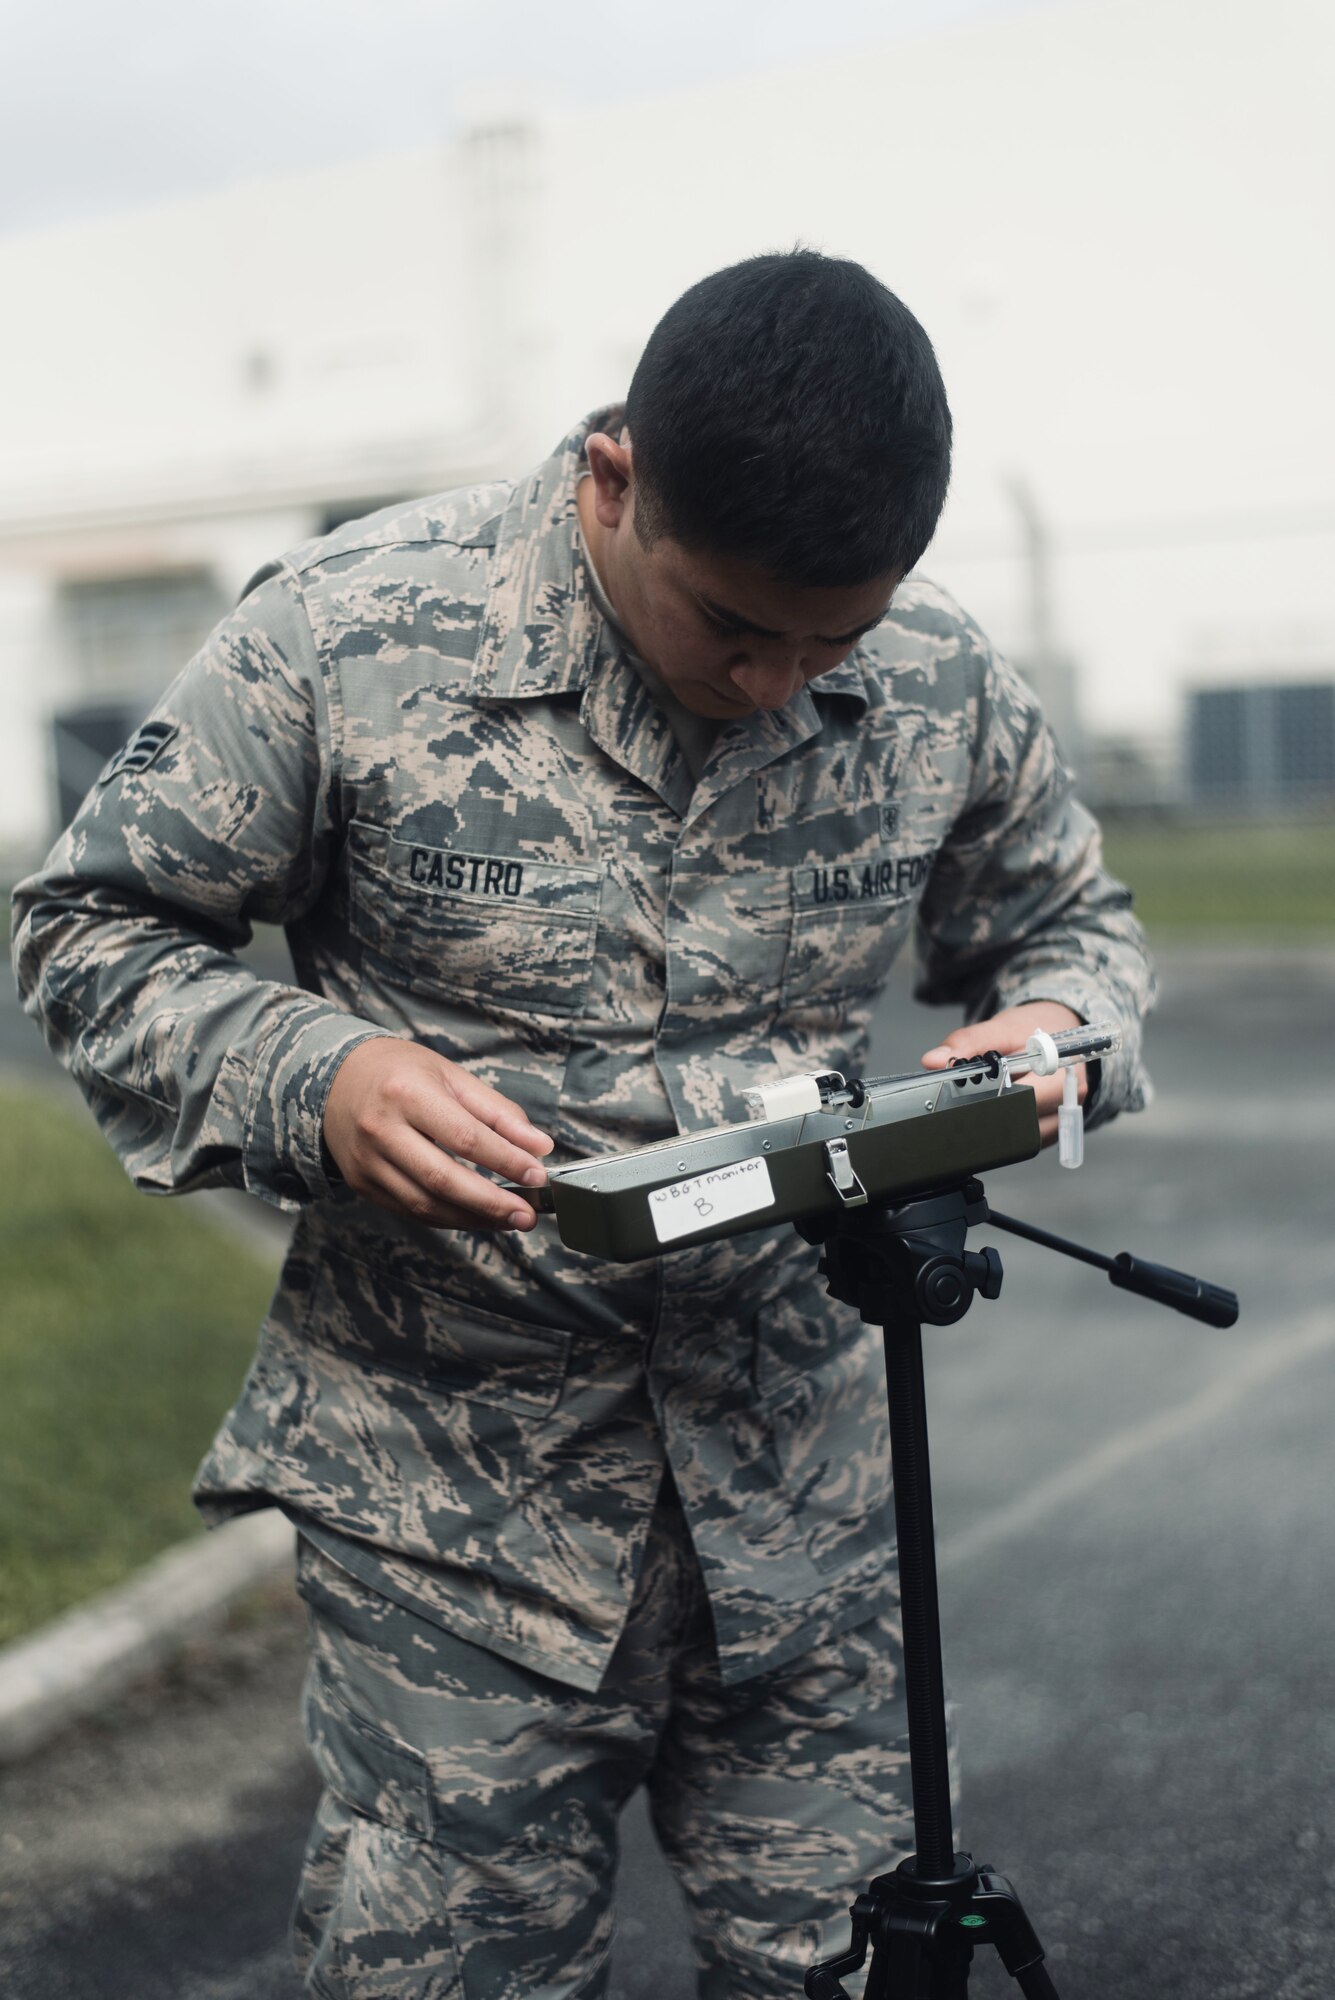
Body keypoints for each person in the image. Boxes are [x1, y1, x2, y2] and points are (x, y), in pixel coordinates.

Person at [11, 250, 1154, 1999]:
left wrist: (1059, 1028)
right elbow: (88, 933)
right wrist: (310, 1069)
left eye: (827, 639)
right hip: (452, 1519)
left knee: (837, 1972)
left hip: (801, 1507)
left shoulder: (931, 678)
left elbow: (1076, 924)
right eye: (732, 627)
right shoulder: (350, 633)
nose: (779, 682)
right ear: (615, 479)